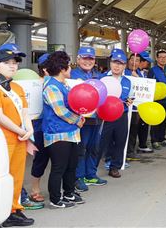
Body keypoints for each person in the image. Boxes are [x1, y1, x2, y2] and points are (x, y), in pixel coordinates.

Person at [0, 46, 35, 225]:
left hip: (20, 139)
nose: (12, 66)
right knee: (2, 177)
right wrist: (22, 131)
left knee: (17, 176)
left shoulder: (17, 86)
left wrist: (29, 130)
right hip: (3, 140)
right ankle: (0, 213)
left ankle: (14, 209)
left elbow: (25, 112)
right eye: (7, 63)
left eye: (15, 63)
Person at [42, 51, 85, 208]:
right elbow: (60, 110)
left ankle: (68, 193)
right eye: (69, 66)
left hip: (70, 132)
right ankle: (55, 199)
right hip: (57, 133)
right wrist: (77, 120)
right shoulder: (52, 87)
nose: (71, 69)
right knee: (59, 167)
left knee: (71, 165)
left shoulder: (63, 84)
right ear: (62, 68)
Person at [70, 47, 107, 192]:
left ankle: (91, 174)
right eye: (84, 58)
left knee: (93, 147)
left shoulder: (98, 76)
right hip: (81, 119)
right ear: (78, 59)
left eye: (90, 59)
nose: (88, 61)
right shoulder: (72, 76)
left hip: (97, 117)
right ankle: (78, 177)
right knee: (80, 148)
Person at [98, 49, 133, 178]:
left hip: (121, 115)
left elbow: (129, 96)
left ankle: (114, 167)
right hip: (105, 116)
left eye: (121, 63)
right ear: (110, 63)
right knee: (101, 143)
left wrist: (129, 101)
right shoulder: (102, 79)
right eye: (115, 62)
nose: (117, 66)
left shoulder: (127, 82)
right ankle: (91, 169)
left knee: (120, 141)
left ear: (124, 66)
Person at [22, 52, 50, 211]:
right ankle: (34, 189)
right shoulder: (33, 84)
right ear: (45, 69)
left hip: (54, 126)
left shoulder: (59, 82)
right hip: (38, 126)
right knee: (40, 158)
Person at [127, 51, 153, 161]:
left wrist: (137, 77)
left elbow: (145, 87)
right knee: (125, 132)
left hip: (136, 108)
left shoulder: (139, 73)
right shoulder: (124, 72)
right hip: (126, 107)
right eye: (132, 59)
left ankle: (130, 151)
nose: (134, 62)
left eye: (137, 60)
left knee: (133, 130)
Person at [148, 50, 166, 149]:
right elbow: (149, 85)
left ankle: (161, 138)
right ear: (157, 58)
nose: (163, 59)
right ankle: (154, 140)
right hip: (156, 100)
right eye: (161, 57)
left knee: (164, 120)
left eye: (165, 57)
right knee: (156, 120)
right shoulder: (153, 70)